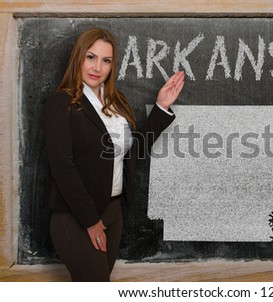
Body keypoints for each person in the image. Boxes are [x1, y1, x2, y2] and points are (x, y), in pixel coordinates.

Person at [43, 28, 184, 281]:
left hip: (113, 212)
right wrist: (90, 220)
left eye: (106, 60)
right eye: (91, 57)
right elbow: (63, 168)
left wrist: (162, 107)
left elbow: (132, 154)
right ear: (78, 58)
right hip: (77, 216)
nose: (97, 67)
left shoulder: (116, 103)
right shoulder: (61, 104)